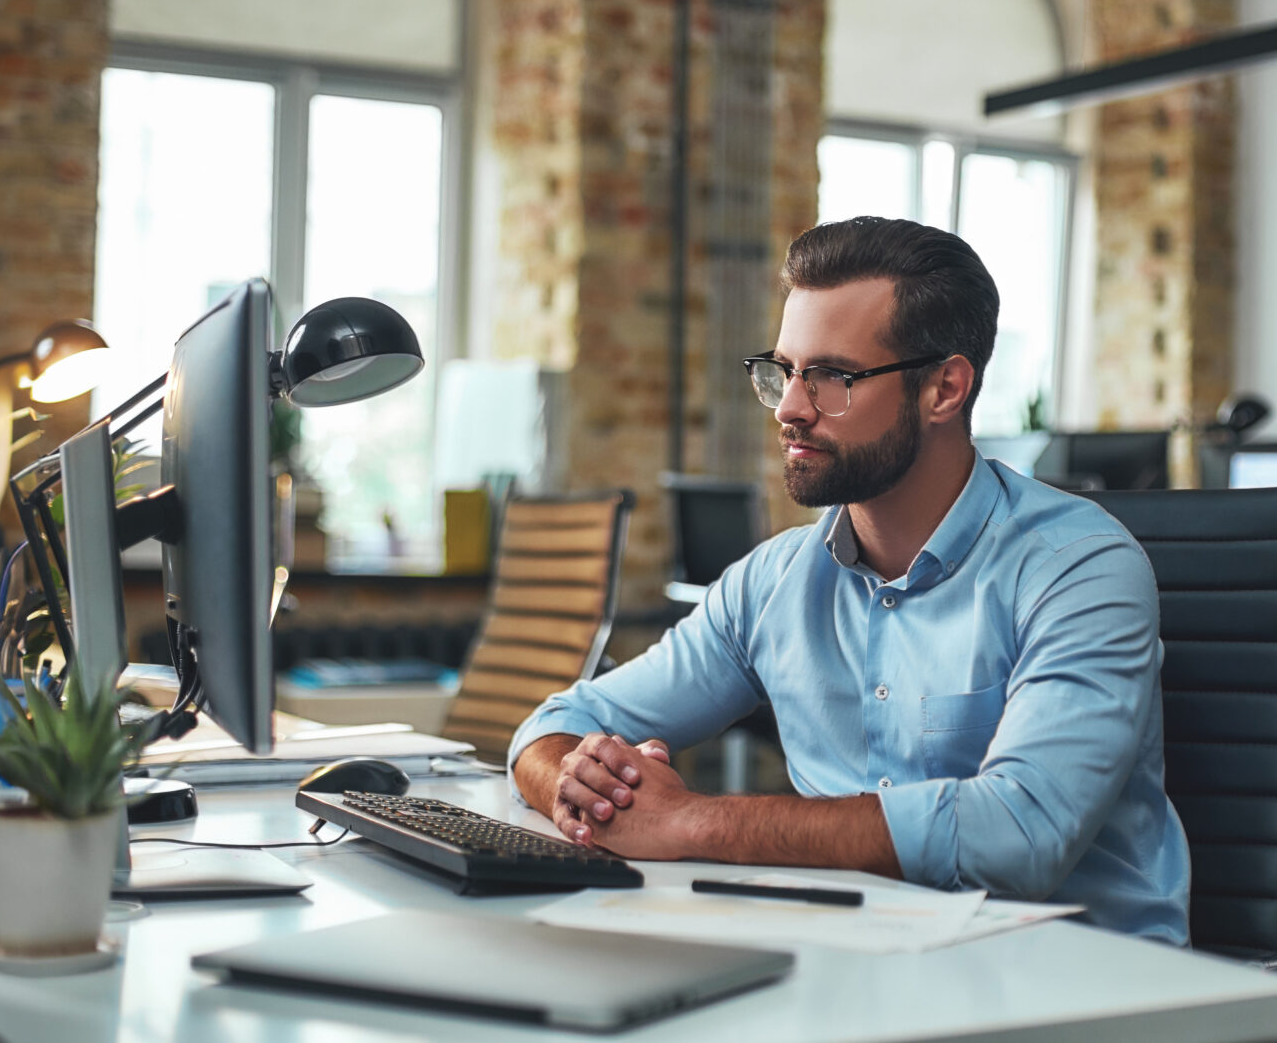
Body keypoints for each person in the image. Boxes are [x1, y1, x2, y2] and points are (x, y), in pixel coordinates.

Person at [507, 216, 1191, 942]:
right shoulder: (773, 582)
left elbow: (1018, 834)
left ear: (945, 389)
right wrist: (582, 789)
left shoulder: (1079, 567)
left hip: (1079, 984)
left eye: (832, 377)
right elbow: (550, 727)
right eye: (783, 371)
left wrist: (690, 820)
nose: (793, 408)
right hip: (858, 965)